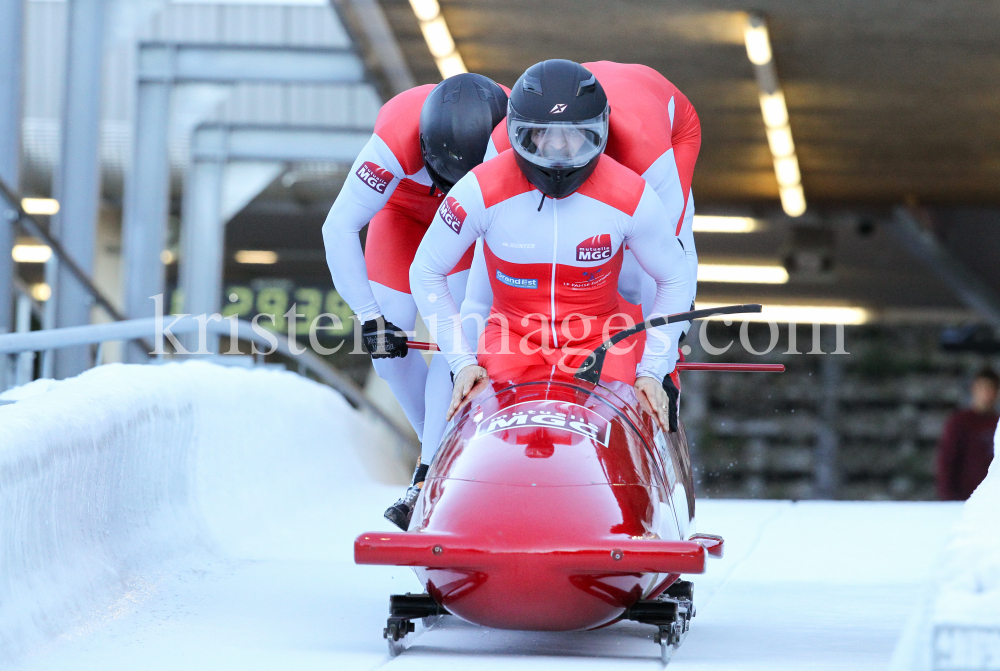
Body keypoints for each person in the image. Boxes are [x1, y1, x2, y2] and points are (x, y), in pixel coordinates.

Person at [409, 60, 693, 531]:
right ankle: (435, 503)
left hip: (602, 337)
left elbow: (675, 278)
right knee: (471, 402)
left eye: (576, 137)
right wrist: (462, 362)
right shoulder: (481, 188)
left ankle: (659, 512)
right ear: (520, 134)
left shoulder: (633, 195)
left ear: (599, 134)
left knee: (645, 404)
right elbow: (427, 269)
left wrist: (654, 370)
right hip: (512, 335)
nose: (559, 152)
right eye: (543, 136)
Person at [321, 73, 508, 529]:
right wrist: (370, 318)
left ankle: (428, 473)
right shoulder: (395, 137)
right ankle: (443, 451)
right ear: (424, 145)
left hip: (471, 214)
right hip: (403, 213)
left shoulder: (511, 133)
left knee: (457, 336)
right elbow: (338, 228)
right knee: (388, 344)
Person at [937, 368, 999, 501]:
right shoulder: (960, 422)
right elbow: (947, 459)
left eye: (990, 388)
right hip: (964, 499)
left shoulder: (997, 423)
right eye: (982, 388)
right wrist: (948, 496)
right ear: (973, 389)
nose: (986, 393)